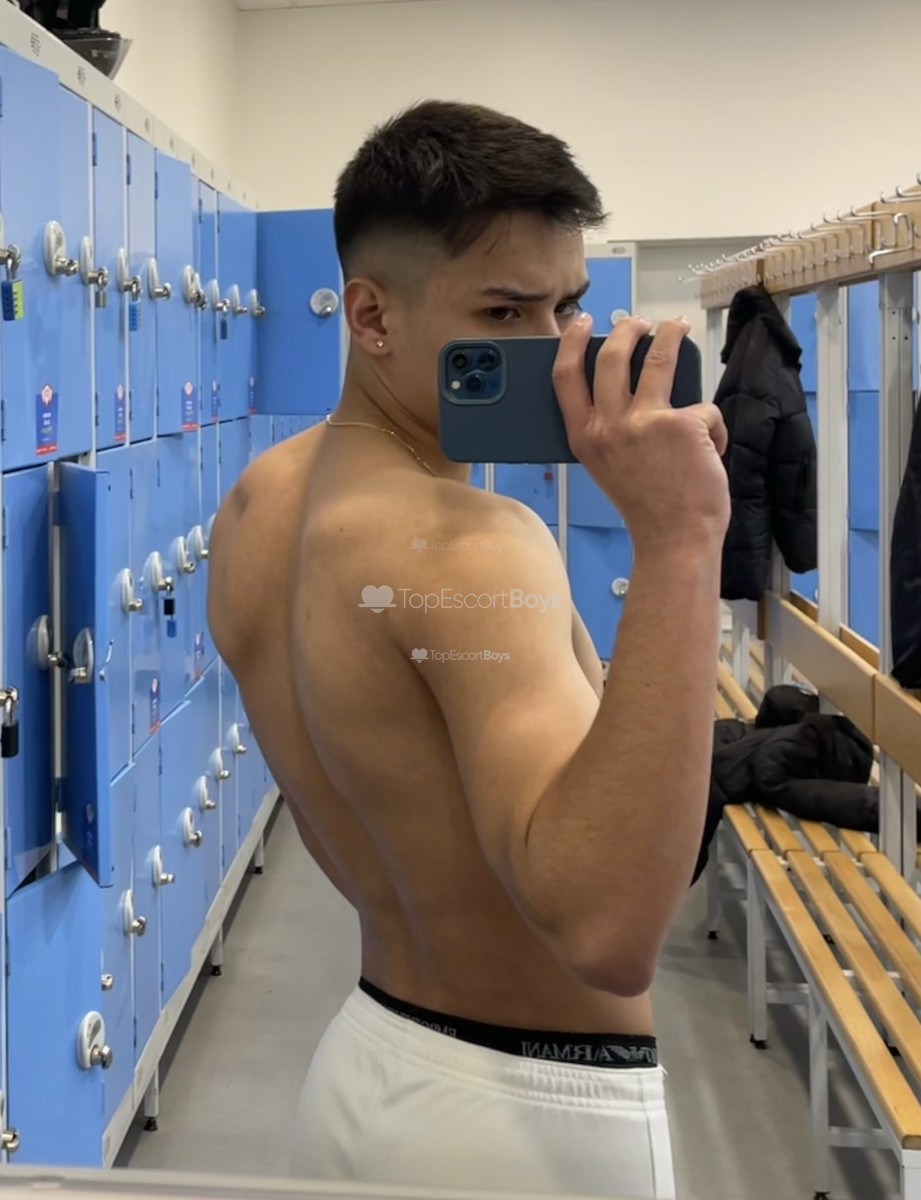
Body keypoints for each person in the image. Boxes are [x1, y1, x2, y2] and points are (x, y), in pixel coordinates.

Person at [207, 100, 729, 1199]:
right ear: (371, 315)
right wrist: (680, 539)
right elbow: (608, 927)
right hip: (530, 1128)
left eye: (566, 307)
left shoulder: (258, 503)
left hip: (369, 1068)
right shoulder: (475, 546)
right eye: (504, 311)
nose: (554, 352)